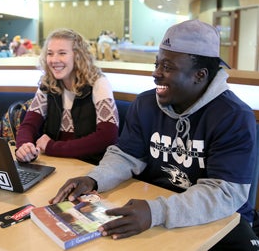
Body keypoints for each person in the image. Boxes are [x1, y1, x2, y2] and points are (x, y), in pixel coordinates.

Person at [50, 20, 259, 250]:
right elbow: (126, 155)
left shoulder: (233, 116)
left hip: (222, 221)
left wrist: (157, 212)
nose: (155, 74)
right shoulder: (146, 103)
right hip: (157, 212)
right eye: (157, 64)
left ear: (199, 75)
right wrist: (94, 178)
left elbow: (223, 193)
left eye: (167, 67)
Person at [15, 28, 119, 165]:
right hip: (55, 162)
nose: (54, 60)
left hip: (89, 166)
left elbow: (107, 137)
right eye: (50, 54)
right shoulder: (48, 84)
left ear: (77, 56)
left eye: (62, 53)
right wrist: (24, 145)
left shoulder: (98, 83)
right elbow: (28, 125)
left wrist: (52, 147)